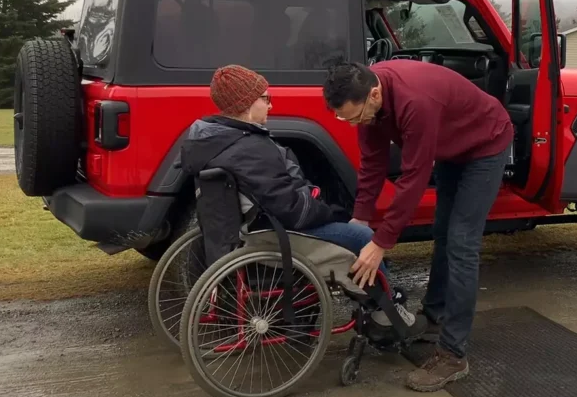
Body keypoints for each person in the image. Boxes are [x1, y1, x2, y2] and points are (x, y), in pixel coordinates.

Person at [179, 64, 425, 338]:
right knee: (361, 235)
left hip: (246, 225)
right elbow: (293, 211)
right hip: (273, 230)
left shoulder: (212, 138)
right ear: (246, 104)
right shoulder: (249, 148)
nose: (270, 106)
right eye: (265, 98)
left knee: (347, 225)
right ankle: (387, 312)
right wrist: (326, 209)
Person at [322, 60, 513, 393]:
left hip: (486, 143)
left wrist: (381, 242)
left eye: (356, 116)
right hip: (453, 148)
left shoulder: (415, 102)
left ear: (375, 94)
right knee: (443, 230)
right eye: (345, 118)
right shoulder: (368, 100)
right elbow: (372, 165)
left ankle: (454, 355)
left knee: (461, 242)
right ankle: (436, 314)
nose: (355, 123)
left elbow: (413, 179)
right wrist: (360, 220)